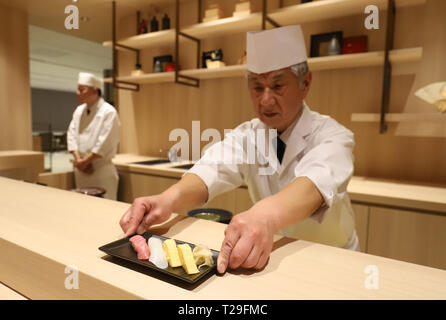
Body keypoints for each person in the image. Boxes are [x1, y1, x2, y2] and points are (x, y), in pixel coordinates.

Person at [119, 25, 358, 273]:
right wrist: (168, 199)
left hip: (334, 260)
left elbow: (314, 185)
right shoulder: (248, 134)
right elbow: (213, 168)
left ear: (305, 83)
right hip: (274, 257)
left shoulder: (334, 136)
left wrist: (264, 215)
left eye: (277, 86)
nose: (265, 100)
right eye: (257, 87)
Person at [67, 72, 120, 200]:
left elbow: (105, 142)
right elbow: (71, 134)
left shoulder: (109, 112)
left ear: (95, 90)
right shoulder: (79, 111)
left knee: (105, 210)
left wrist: (86, 161)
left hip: (100, 170)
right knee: (82, 209)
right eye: (77, 89)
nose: (77, 93)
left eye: (81, 89)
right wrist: (79, 160)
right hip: (81, 170)